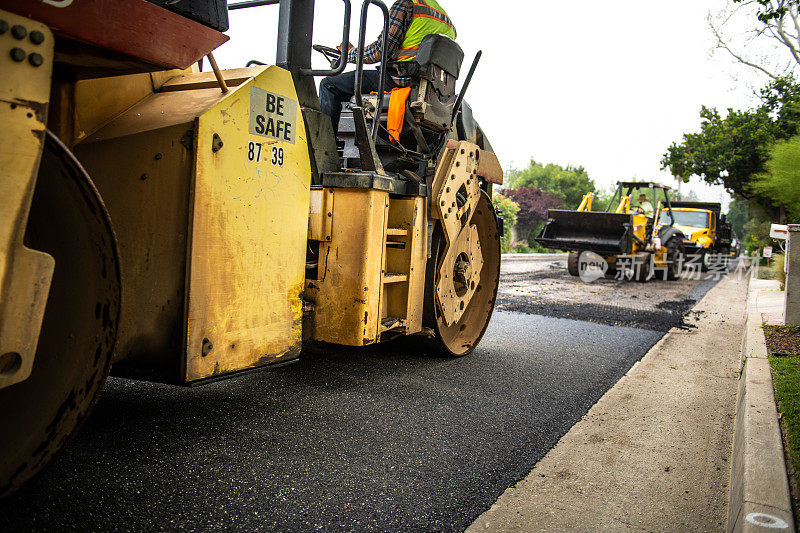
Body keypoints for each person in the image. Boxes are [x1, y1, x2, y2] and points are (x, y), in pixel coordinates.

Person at [319, 0, 456, 132]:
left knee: (329, 85)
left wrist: (350, 53)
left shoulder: (407, 5)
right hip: (430, 92)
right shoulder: (446, 21)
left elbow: (380, 51)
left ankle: (325, 147)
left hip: (399, 80)